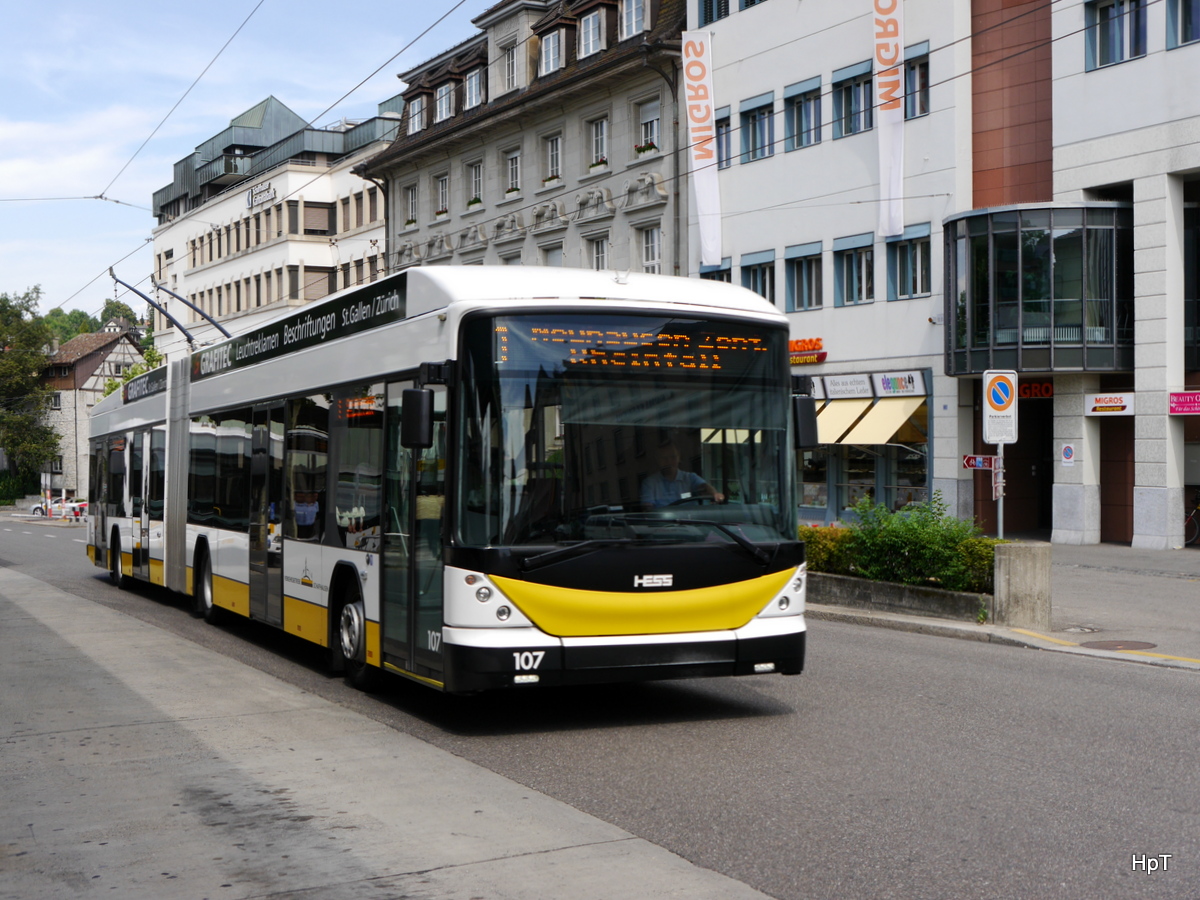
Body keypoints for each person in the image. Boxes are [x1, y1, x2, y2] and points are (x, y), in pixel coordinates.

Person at [640, 442, 724, 508]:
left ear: (679, 458)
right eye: (664, 458)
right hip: (663, 525)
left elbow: (704, 487)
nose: (669, 462)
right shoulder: (649, 483)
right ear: (657, 460)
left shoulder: (690, 478)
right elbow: (648, 508)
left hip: (690, 522)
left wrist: (714, 494)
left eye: (673, 457)